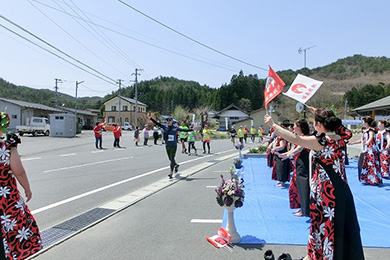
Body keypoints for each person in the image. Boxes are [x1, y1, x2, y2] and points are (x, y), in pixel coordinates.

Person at [264, 108, 364, 260]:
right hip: (342, 189)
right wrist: (320, 112)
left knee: (324, 225)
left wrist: (273, 125)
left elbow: (295, 139)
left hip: (326, 192)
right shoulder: (341, 137)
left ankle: (324, 255)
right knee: (340, 225)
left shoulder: (321, 141)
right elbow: (341, 127)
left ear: (319, 125)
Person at [0, 112, 42, 259]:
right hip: (6, 199)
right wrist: (27, 189)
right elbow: (19, 171)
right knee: (16, 227)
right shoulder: (6, 146)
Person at [277, 118, 310, 217]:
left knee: (303, 187)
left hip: (304, 165)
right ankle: (301, 208)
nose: (293, 127)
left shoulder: (304, 138)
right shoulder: (299, 137)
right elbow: (294, 149)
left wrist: (287, 155)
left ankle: (305, 210)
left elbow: (299, 149)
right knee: (296, 187)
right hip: (298, 164)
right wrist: (286, 154)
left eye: (295, 125)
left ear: (300, 127)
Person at [350, 117, 382, 185]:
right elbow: (361, 140)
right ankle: (366, 179)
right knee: (363, 164)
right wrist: (353, 142)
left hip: (370, 150)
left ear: (367, 123)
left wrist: (367, 142)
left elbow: (371, 137)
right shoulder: (364, 130)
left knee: (371, 165)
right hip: (365, 150)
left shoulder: (371, 130)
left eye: (363, 122)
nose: (362, 123)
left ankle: (373, 180)